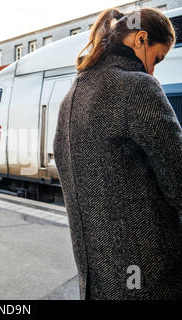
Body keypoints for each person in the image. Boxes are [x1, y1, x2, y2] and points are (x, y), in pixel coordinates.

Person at [53, 8, 182, 300]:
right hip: (149, 277)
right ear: (140, 39)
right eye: (157, 58)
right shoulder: (137, 87)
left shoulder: (71, 96)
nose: (153, 70)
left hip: (97, 278)